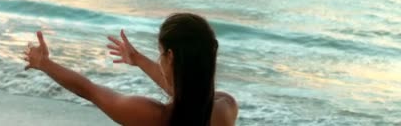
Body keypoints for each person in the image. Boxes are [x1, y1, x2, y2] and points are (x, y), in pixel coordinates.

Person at [23, 13, 239, 125]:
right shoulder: (226, 107)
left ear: (170, 57)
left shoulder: (150, 116)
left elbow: (88, 89)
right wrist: (138, 60)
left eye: (160, 52)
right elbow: (191, 94)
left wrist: (44, 64)